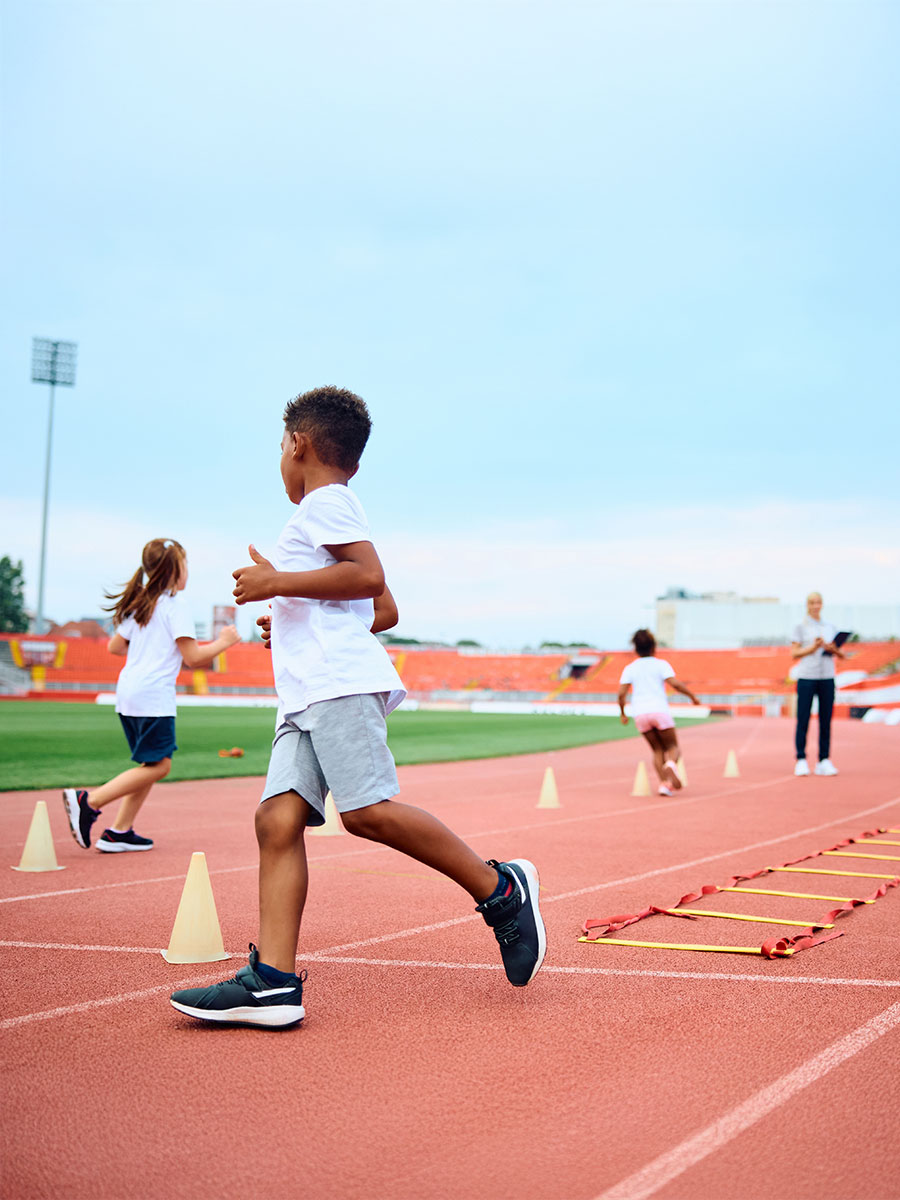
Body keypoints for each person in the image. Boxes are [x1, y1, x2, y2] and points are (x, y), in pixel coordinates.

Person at [170, 386, 544, 1028]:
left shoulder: (327, 503)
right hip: (307, 688)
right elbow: (385, 611)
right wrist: (288, 614)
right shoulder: (322, 514)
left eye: (279, 449)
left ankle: (501, 891)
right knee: (277, 821)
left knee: (366, 813)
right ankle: (273, 983)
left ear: (297, 443)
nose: (280, 462)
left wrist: (276, 585)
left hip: (336, 685)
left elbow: (369, 580)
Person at [62, 538, 240, 852]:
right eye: (185, 565)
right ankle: (89, 801)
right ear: (174, 571)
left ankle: (120, 831)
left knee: (149, 764)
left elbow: (114, 646)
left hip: (128, 693)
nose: (188, 573)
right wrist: (226, 640)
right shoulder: (175, 607)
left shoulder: (143, 604)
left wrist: (148, 651)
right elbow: (194, 657)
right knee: (160, 767)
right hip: (153, 696)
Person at [618, 629, 701, 796]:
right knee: (672, 746)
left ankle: (664, 784)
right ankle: (671, 764)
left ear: (635, 648)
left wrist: (623, 713)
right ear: (653, 647)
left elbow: (621, 693)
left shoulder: (630, 668)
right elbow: (675, 684)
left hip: (640, 713)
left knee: (657, 750)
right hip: (659, 710)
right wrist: (692, 697)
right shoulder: (661, 665)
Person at [791, 591, 844, 777]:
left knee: (826, 720)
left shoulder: (830, 627)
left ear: (822, 604)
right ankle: (801, 759)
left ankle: (824, 760)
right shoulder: (800, 627)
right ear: (807, 604)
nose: (815, 605)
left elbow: (842, 655)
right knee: (803, 719)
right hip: (807, 677)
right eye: (812, 602)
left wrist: (832, 648)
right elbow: (794, 653)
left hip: (827, 677)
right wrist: (813, 648)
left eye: (818, 602)